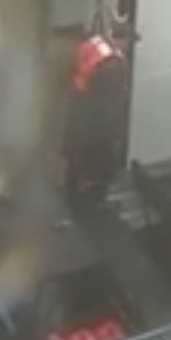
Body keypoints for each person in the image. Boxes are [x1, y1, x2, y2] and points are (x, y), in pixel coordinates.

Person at [61, 28, 129, 207]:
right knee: (96, 158)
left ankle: (75, 193)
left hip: (78, 99)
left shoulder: (97, 44)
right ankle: (93, 200)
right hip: (92, 113)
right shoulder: (112, 64)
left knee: (75, 152)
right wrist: (114, 130)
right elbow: (106, 106)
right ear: (122, 40)